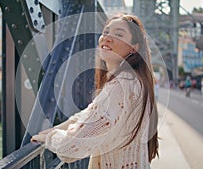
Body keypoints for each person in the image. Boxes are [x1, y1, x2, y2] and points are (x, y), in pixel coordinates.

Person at [31, 14, 159, 168]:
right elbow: (90, 113)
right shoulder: (134, 80)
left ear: (134, 47)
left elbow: (70, 147)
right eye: (105, 32)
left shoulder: (121, 84)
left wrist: (50, 138)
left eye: (118, 34)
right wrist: (56, 129)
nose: (107, 37)